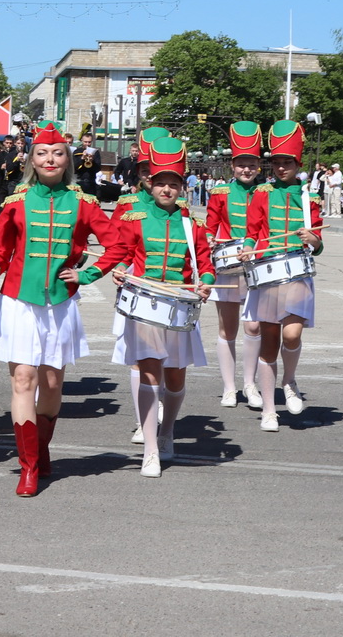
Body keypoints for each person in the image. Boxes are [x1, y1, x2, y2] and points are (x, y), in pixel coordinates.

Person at [0, 123, 121, 497]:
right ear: (31, 161)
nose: (49, 159)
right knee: (23, 379)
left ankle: (41, 447)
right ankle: (29, 467)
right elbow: (1, 252)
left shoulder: (84, 203)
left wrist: (88, 274)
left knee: (52, 383)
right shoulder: (16, 202)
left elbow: (117, 244)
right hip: (19, 301)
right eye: (42, 153)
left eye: (57, 153)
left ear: (67, 160)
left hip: (61, 303)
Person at [109, 136, 214, 477]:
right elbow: (123, 254)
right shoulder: (135, 218)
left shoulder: (192, 224)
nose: (167, 190)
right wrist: (120, 268)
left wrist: (206, 282)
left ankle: (168, 430)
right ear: (150, 184)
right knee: (150, 370)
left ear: (182, 188)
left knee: (176, 376)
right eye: (161, 183)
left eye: (174, 184)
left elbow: (205, 263)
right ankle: (151, 449)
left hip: (179, 304)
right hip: (145, 302)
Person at [241, 120, 322, 430]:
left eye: (287, 162)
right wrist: (248, 248)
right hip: (268, 273)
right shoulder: (261, 193)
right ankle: (268, 411)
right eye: (276, 162)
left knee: (292, 334)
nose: (281, 167)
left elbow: (318, 243)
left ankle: (289, 381)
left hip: (298, 273)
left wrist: (312, 239)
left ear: (297, 164)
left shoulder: (308, 197)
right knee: (269, 342)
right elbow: (252, 232)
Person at [205, 121, 265, 409]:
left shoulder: (266, 191)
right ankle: (229, 388)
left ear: (258, 166)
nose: (246, 170)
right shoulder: (220, 193)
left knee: (253, 327)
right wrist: (209, 240)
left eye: (251, 164)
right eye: (241, 164)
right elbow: (210, 226)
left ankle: (250, 384)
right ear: (232, 166)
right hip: (229, 266)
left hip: (259, 265)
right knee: (227, 329)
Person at [74, 130, 102, 196]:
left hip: (91, 182)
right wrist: (82, 158)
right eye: (85, 142)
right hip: (79, 181)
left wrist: (92, 161)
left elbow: (98, 169)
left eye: (89, 142)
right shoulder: (77, 152)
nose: (87, 144)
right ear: (82, 141)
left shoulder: (95, 152)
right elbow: (74, 167)